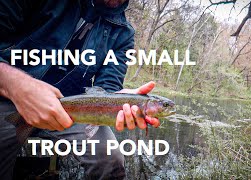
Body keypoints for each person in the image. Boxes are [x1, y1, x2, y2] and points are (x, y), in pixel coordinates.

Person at [0, 0, 160, 179]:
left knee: (109, 157)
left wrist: (121, 101)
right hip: (7, 97)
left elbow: (108, 87)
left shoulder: (123, 34)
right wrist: (15, 84)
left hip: (74, 108)